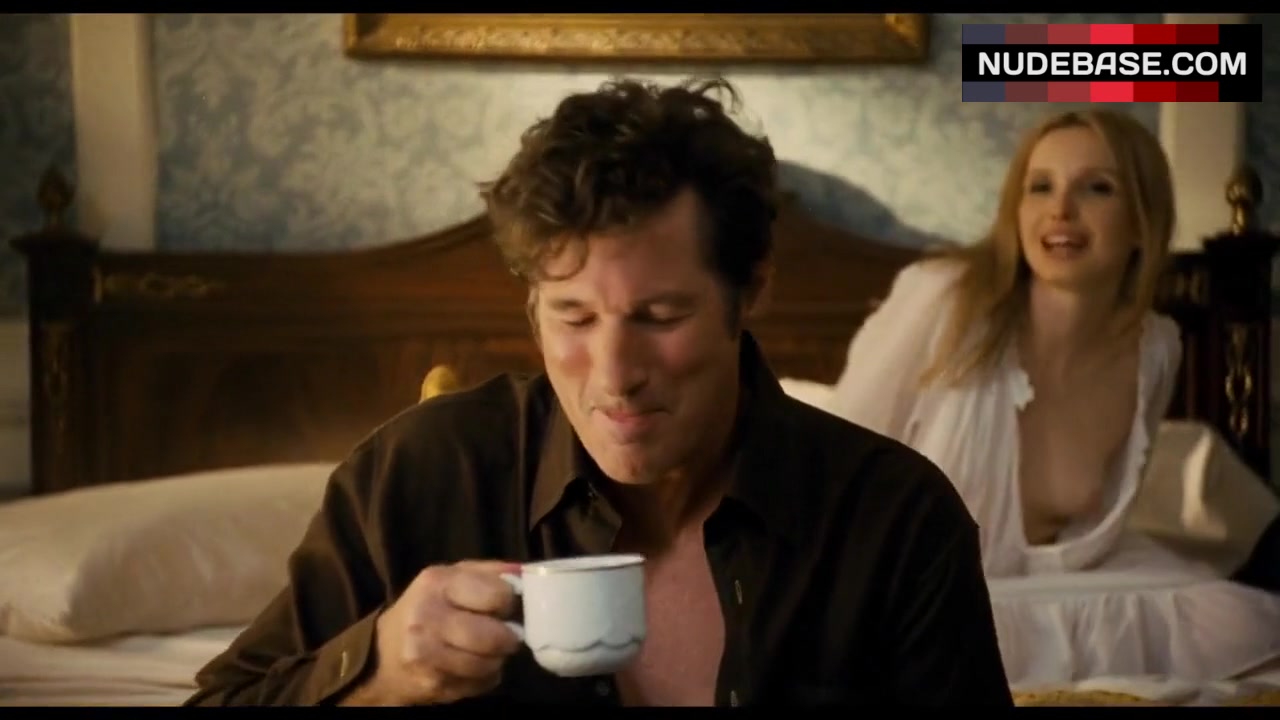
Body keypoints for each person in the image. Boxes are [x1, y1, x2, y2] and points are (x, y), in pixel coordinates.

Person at [185, 77, 1014, 707]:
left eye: (660, 316)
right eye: (574, 317)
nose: (615, 374)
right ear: (531, 307)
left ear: (750, 291)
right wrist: (378, 673)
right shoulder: (421, 473)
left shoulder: (894, 520)